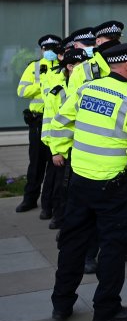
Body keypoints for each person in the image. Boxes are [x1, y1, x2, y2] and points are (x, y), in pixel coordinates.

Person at [49, 40, 127, 321]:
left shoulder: (86, 89)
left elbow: (60, 123)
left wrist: (62, 149)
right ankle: (106, 310)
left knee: (72, 244)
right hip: (113, 186)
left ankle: (61, 304)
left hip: (79, 181)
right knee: (112, 247)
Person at [41, 46, 89, 229]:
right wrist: (55, 151)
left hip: (83, 148)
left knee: (79, 192)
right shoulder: (56, 91)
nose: (85, 67)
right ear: (70, 67)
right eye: (80, 64)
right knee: (61, 188)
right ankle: (59, 219)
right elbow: (49, 123)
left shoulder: (87, 87)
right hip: (63, 150)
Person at [16, 34, 62, 215]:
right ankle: (29, 199)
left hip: (55, 122)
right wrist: (41, 84)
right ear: (42, 50)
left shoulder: (62, 66)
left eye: (53, 49)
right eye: (46, 49)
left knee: (54, 164)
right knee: (35, 163)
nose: (49, 52)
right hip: (37, 120)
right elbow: (22, 90)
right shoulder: (34, 67)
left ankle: (48, 204)